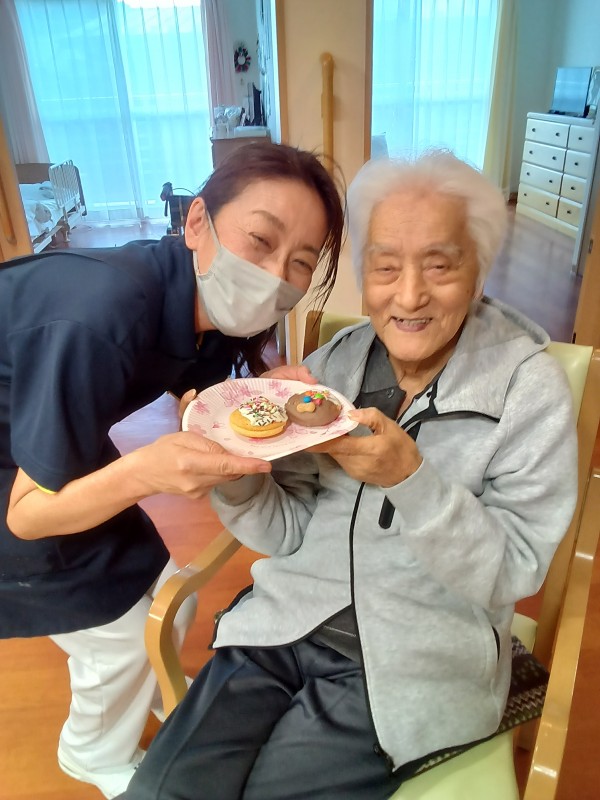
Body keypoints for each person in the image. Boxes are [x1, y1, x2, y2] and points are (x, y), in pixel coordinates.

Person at [118, 149, 579, 800]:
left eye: (440, 265)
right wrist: (236, 467)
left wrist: (412, 482)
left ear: (479, 272)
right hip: (283, 626)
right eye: (385, 266)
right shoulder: (334, 367)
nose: (409, 295)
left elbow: (516, 569)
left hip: (414, 659)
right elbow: (285, 531)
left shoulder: (527, 391)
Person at [0, 142, 345, 799]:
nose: (275, 276)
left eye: (300, 262)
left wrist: (270, 398)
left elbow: (197, 397)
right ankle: (90, 751)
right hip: (19, 472)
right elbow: (27, 516)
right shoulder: (102, 313)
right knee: (120, 633)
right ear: (196, 222)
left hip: (44, 430)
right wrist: (147, 472)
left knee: (162, 589)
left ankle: (139, 689)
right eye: (260, 241)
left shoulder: (207, 312)